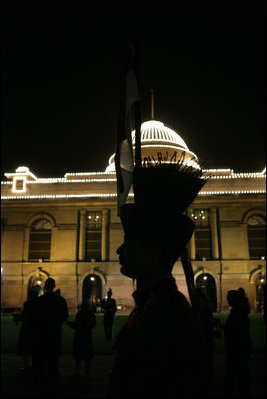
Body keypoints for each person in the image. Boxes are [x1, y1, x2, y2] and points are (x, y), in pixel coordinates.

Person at [108, 163, 206, 398]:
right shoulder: (154, 305)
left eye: (131, 243)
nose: (119, 251)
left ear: (154, 252)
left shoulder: (166, 313)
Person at [30, 278, 69, 394]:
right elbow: (65, 316)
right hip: (54, 333)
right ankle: (52, 384)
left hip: (41, 334)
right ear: (54, 286)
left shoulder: (38, 301)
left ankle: (39, 385)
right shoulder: (61, 300)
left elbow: (33, 317)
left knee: (40, 360)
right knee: (53, 359)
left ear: (45, 287)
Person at [223, 290, 252, 398]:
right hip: (241, 348)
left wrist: (225, 328)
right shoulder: (239, 311)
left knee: (233, 375)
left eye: (229, 298)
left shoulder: (236, 313)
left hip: (236, 350)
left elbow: (235, 331)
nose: (227, 300)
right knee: (242, 375)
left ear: (233, 300)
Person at [13, 285, 40, 371]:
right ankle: (35, 365)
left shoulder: (28, 303)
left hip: (27, 327)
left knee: (25, 347)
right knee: (35, 347)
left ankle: (26, 366)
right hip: (36, 328)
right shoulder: (39, 303)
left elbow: (24, 315)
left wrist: (18, 317)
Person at [67, 301, 96, 378]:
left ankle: (77, 372)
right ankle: (87, 373)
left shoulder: (80, 313)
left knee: (79, 355)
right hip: (86, 335)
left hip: (80, 335)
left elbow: (78, 324)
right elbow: (93, 324)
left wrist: (72, 325)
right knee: (87, 355)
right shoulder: (90, 314)